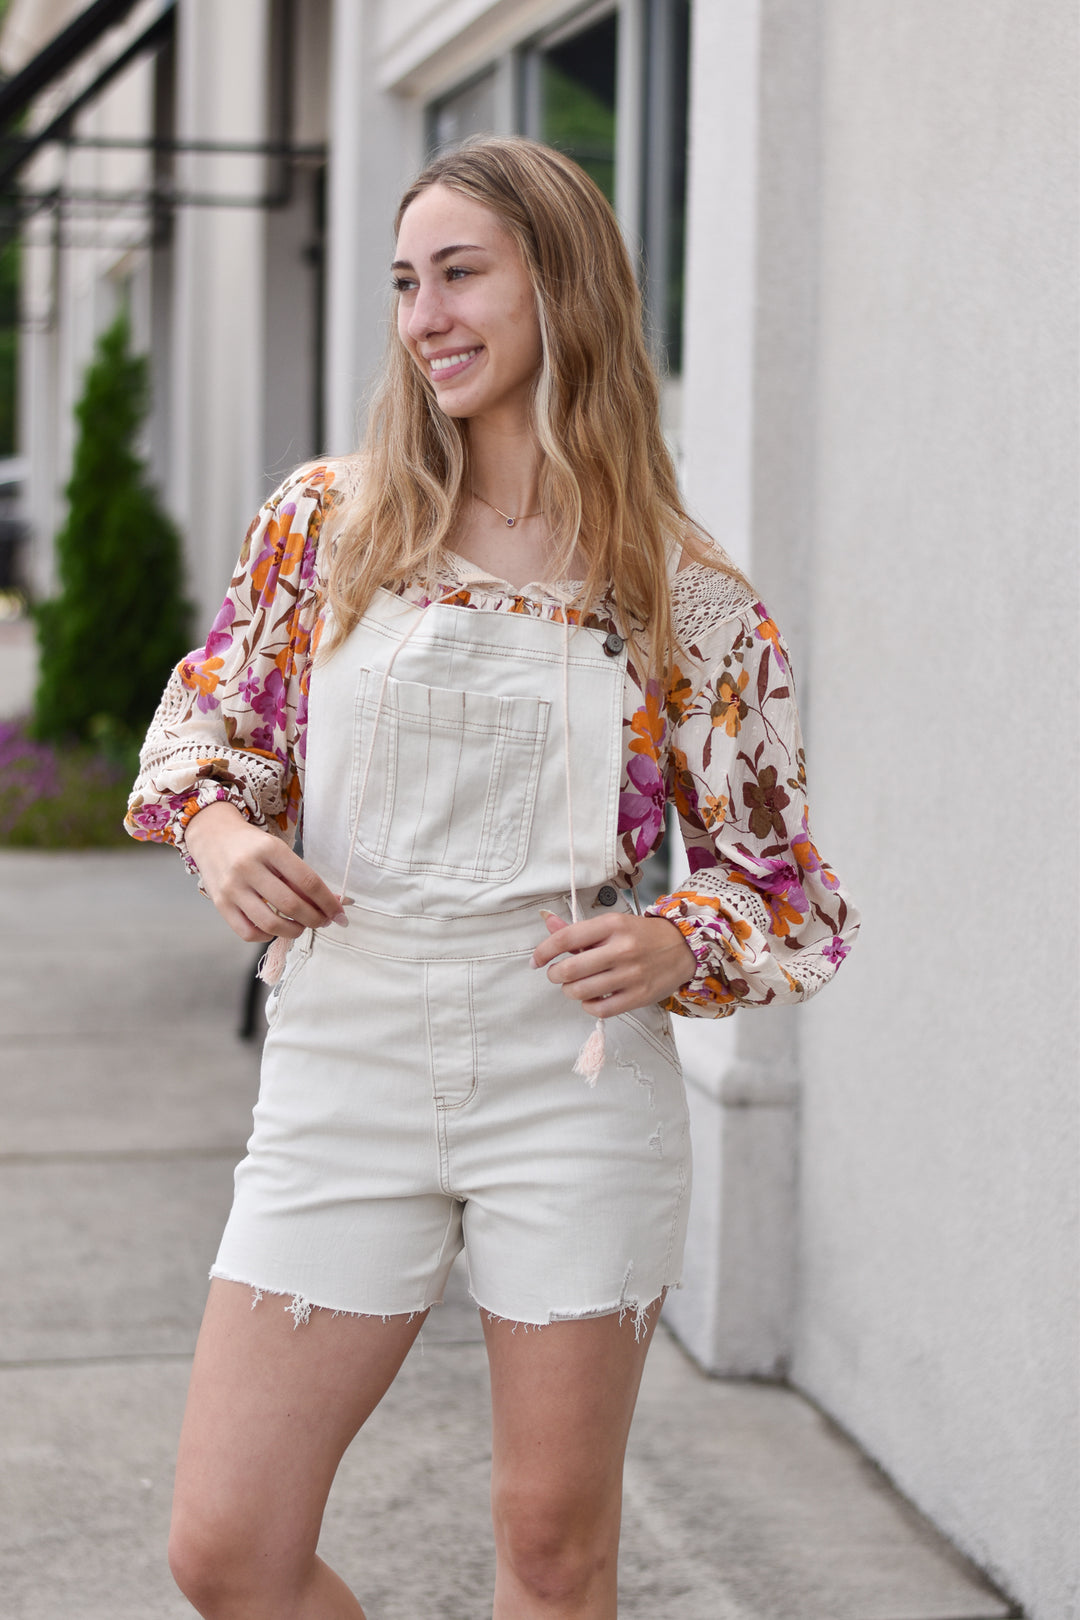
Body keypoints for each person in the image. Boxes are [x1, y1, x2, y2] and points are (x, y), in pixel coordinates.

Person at [126, 134, 857, 1620]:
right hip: (343, 1066)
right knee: (227, 1547)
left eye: (461, 274)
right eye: (406, 282)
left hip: (571, 1091)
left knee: (551, 1554)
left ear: (562, 286)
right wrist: (224, 836)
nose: (425, 316)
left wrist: (675, 940)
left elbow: (780, 884)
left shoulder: (684, 593)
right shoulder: (327, 528)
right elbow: (205, 728)